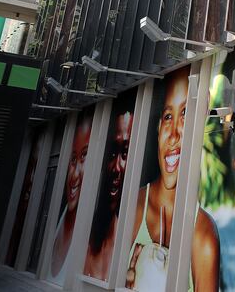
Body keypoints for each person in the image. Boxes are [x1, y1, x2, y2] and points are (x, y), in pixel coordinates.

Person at [125, 67, 219, 291]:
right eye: (168, 116)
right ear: (158, 129)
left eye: (185, 113)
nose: (174, 134)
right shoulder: (134, 207)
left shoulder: (203, 236)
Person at [84, 108, 134, 280]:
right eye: (113, 153)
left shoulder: (131, 242)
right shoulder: (86, 238)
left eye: (125, 154)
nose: (116, 167)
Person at [50, 114, 93, 285]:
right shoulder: (57, 226)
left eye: (84, 156)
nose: (74, 174)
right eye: (73, 159)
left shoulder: (91, 229)